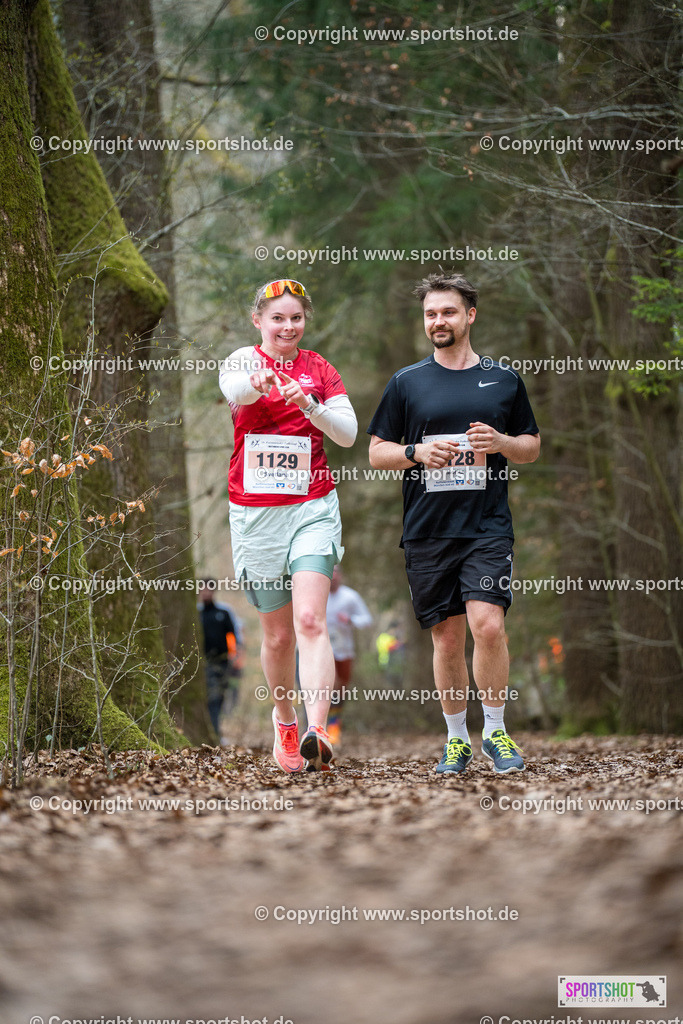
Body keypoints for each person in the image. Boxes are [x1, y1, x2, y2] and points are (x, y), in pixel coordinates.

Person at [367, 272, 540, 775]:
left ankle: (497, 732)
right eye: (430, 314)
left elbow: (531, 446)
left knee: (488, 625)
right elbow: (376, 453)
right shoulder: (407, 382)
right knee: (446, 638)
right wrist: (417, 453)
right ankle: (457, 739)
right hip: (427, 528)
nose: (438, 321)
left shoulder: (504, 380)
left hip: (487, 526)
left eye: (447, 312)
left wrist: (501, 443)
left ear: (470, 315)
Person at [219, 279, 357, 772]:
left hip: (312, 507)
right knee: (278, 638)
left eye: (295, 318)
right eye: (277, 318)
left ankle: (318, 728)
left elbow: (348, 433)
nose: (287, 326)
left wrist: (311, 405)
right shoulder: (242, 360)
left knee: (311, 621)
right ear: (258, 321)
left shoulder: (319, 369)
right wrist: (257, 381)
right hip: (256, 515)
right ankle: (285, 720)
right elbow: (234, 389)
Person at [325, 565, 372, 745]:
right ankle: (317, 726)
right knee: (324, 687)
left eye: (336, 572)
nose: (333, 576)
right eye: (330, 572)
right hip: (323, 650)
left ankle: (334, 727)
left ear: (341, 576)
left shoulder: (350, 596)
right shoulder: (317, 595)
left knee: (340, 689)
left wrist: (350, 620)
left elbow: (367, 620)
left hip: (344, 649)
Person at [198, 581, 243, 744]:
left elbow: (233, 635)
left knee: (218, 698)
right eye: (202, 589)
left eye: (208, 589)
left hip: (223, 663)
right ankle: (209, 733)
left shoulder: (223, 612)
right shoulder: (196, 613)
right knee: (208, 698)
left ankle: (215, 733)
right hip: (201, 664)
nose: (206, 592)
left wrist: (235, 656)